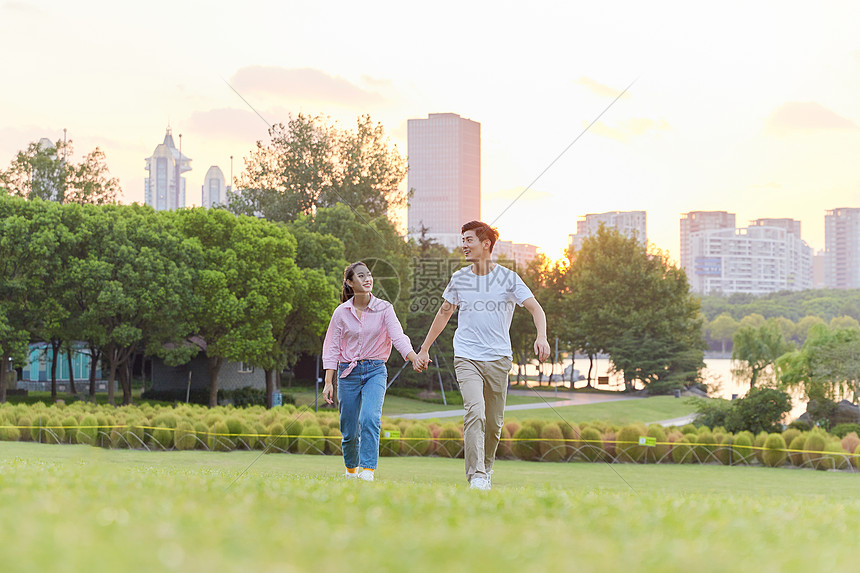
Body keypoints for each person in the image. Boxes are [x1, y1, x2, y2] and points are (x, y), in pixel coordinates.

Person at [414, 221, 550, 490]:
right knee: (475, 412)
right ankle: (476, 474)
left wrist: (542, 336)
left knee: (494, 423)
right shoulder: (459, 278)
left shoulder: (509, 278)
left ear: (485, 243)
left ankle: (486, 469)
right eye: (462, 240)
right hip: (466, 356)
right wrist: (424, 348)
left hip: (499, 358)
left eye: (468, 240)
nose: (463, 245)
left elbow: (536, 309)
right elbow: (444, 313)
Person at [322, 261, 421, 482]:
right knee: (349, 429)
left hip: (375, 371)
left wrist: (413, 356)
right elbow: (331, 347)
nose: (367, 279)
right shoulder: (341, 313)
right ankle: (351, 470)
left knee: (369, 418)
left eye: (369, 275)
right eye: (360, 276)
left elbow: (398, 336)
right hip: (347, 374)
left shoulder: (384, 308)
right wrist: (329, 382)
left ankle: (367, 471)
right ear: (349, 282)